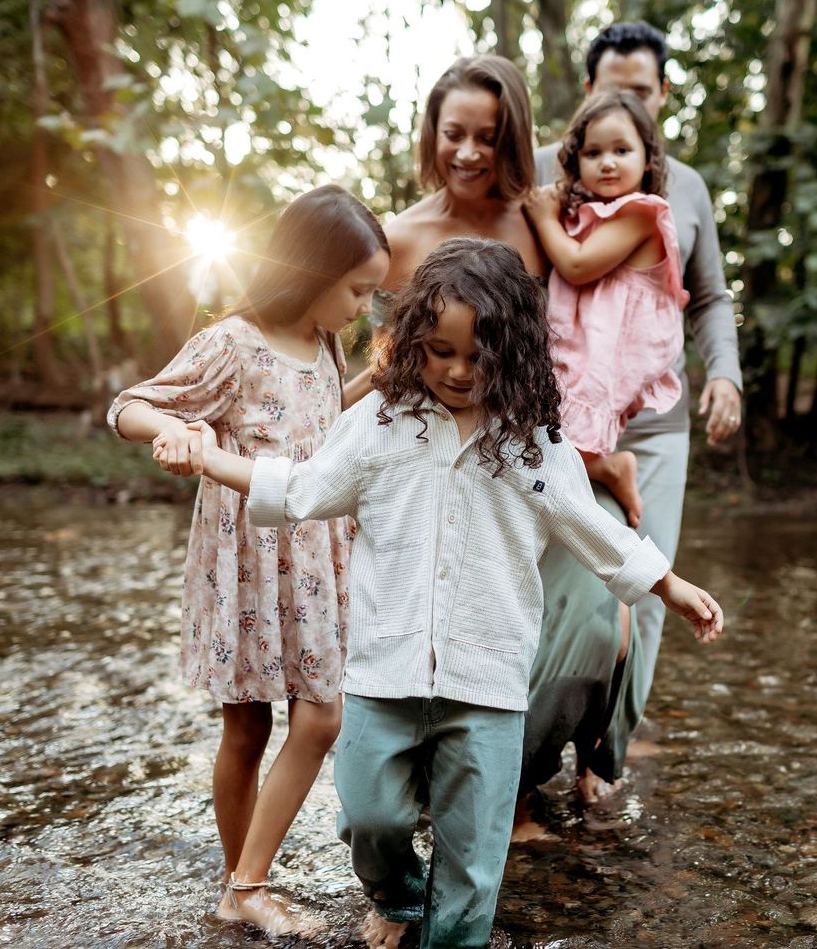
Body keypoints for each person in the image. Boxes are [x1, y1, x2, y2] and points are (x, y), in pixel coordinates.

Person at [157, 238, 725, 949]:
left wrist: (666, 582)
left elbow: (590, 530)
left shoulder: (531, 444)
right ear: (413, 343)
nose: (458, 371)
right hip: (382, 676)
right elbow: (301, 488)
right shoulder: (379, 424)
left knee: (474, 862)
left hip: (485, 685)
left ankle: (452, 936)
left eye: (477, 356)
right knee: (368, 819)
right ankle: (397, 897)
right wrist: (213, 457)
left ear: (512, 353)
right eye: (440, 351)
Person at [108, 185, 390, 935]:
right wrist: (174, 432)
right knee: (246, 727)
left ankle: (246, 880)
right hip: (246, 561)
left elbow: (319, 426)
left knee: (321, 715)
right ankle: (243, 886)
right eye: (358, 289)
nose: (364, 307)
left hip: (313, 550)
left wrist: (375, 381)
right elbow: (131, 403)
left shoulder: (327, 342)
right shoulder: (233, 341)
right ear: (313, 270)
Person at [520, 22, 745, 813]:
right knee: (554, 580)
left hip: (650, 420)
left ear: (662, 99)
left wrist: (726, 375)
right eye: (613, 86)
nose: (627, 102)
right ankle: (524, 747)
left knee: (646, 585)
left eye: (643, 92)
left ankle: (602, 759)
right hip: (564, 415)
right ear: (586, 94)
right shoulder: (553, 172)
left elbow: (711, 296)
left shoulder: (680, 186)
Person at [523, 89, 689, 529]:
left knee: (555, 442)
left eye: (622, 150)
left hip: (614, 348)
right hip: (588, 340)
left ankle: (612, 469)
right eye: (593, 152)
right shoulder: (592, 212)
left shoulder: (642, 213)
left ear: (648, 160)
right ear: (576, 161)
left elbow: (577, 266)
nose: (608, 162)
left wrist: (543, 218)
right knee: (543, 440)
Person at [345, 53, 543, 407]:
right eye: (454, 134)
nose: (468, 153)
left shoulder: (541, 225)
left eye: (487, 138)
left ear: (511, 140)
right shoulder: (397, 239)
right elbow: (385, 365)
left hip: (533, 434)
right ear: (433, 133)